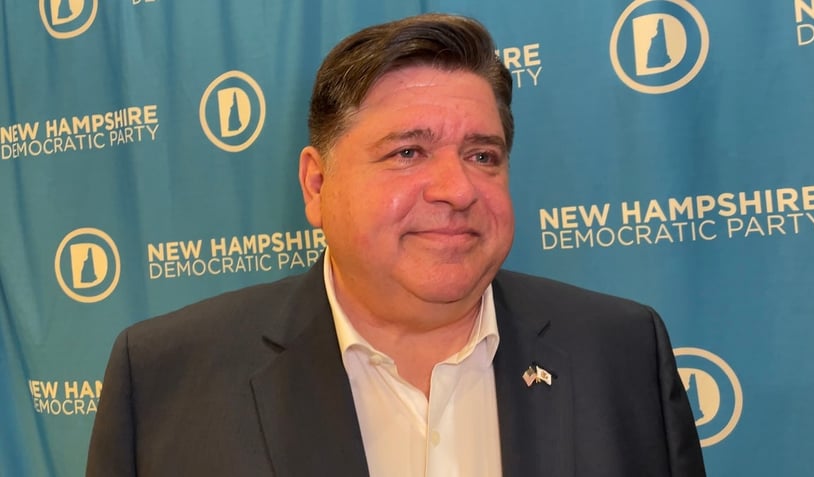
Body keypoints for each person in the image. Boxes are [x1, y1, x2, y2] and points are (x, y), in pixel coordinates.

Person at [86, 13, 706, 477]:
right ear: (317, 184)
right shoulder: (168, 379)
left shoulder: (622, 352)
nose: (457, 188)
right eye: (408, 152)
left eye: (482, 155)